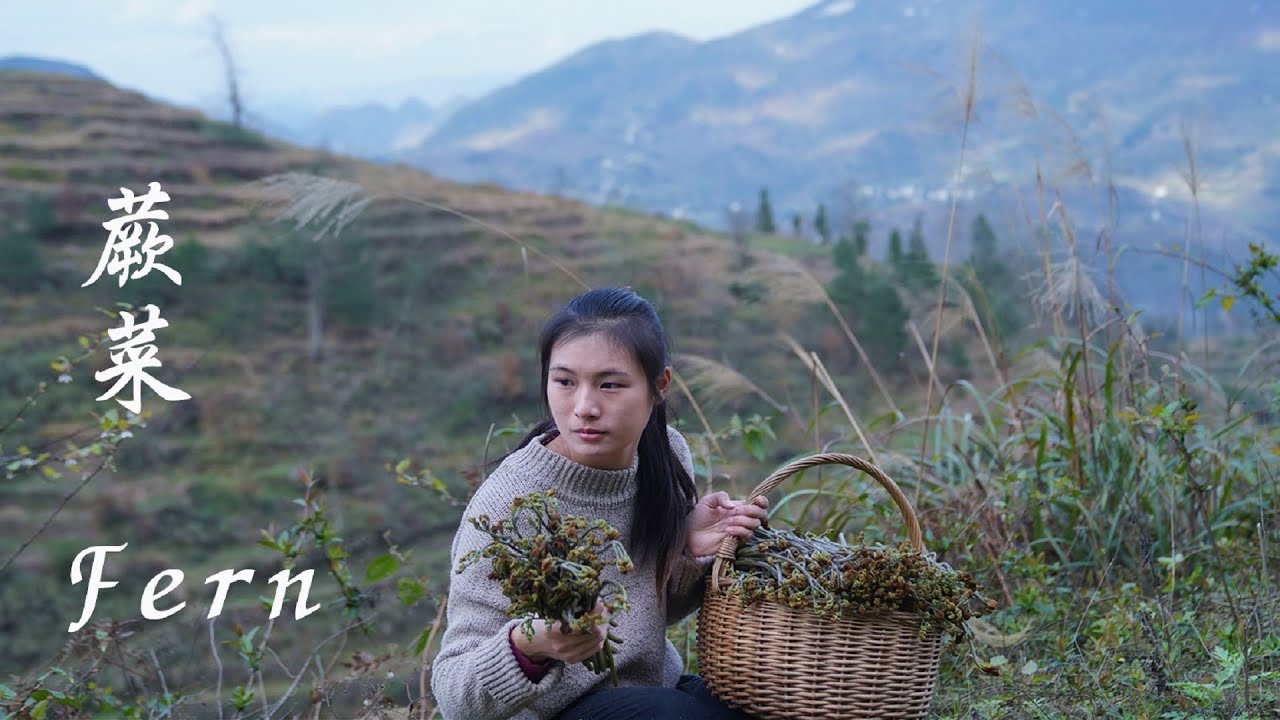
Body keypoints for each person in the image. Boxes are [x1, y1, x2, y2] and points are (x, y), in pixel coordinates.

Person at [431, 287, 769, 720]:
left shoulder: (665, 456)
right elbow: (454, 695)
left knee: (760, 704)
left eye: (610, 385)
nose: (584, 407)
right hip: (558, 713)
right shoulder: (509, 505)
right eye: (565, 382)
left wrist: (685, 550)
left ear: (659, 385)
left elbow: (646, 619)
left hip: (648, 695)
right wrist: (530, 645)